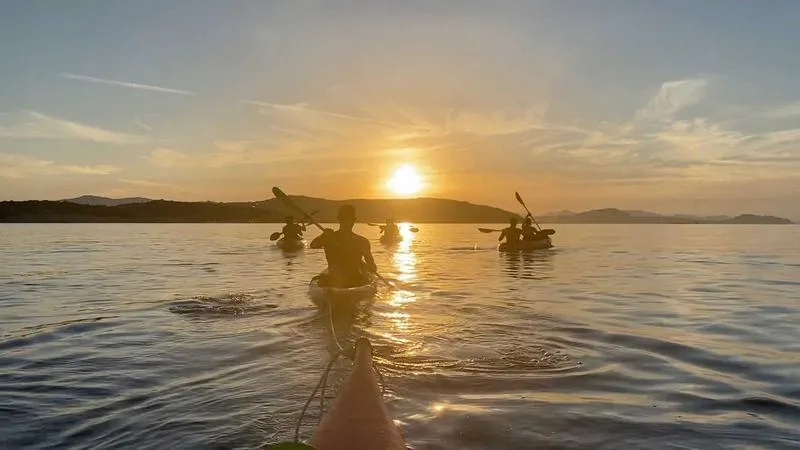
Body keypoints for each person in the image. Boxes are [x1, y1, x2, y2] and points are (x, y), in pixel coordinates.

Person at [310, 205, 378, 288]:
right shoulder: (329, 237)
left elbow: (372, 268)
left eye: (347, 219)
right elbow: (313, 245)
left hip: (353, 280)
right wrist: (323, 236)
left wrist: (361, 264)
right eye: (344, 219)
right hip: (336, 280)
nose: (346, 222)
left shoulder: (362, 241)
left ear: (353, 220)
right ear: (339, 219)